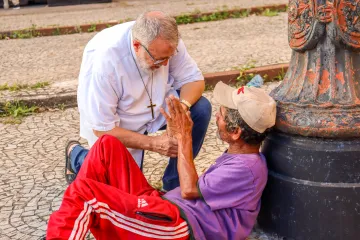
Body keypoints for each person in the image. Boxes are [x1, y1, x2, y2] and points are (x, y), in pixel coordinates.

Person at [47, 82, 276, 240]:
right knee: (107, 145)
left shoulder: (248, 168)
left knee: (85, 193)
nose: (216, 116)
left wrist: (184, 137)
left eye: (222, 116)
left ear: (236, 132)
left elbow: (188, 190)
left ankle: (70, 222)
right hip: (163, 207)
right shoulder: (240, 155)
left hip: (175, 226)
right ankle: (71, 223)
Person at [66, 11, 212, 191]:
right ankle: (76, 155)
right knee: (123, 194)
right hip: (118, 122)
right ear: (137, 45)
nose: (165, 64)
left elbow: (194, 80)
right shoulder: (104, 62)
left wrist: (180, 111)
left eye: (169, 58)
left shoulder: (166, 42)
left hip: (156, 106)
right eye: (159, 59)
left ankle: (173, 184)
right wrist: (155, 144)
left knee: (200, 109)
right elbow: (103, 129)